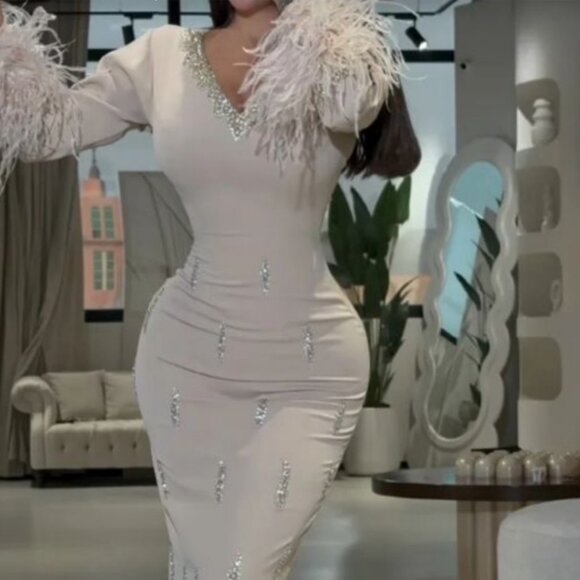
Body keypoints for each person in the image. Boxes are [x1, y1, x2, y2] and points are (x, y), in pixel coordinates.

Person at [0, 1, 420, 578]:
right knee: (202, 566)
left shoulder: (340, 55)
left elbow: (353, 103)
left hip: (309, 372)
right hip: (188, 362)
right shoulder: (161, 56)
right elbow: (48, 129)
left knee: (244, 567)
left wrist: (312, 17)